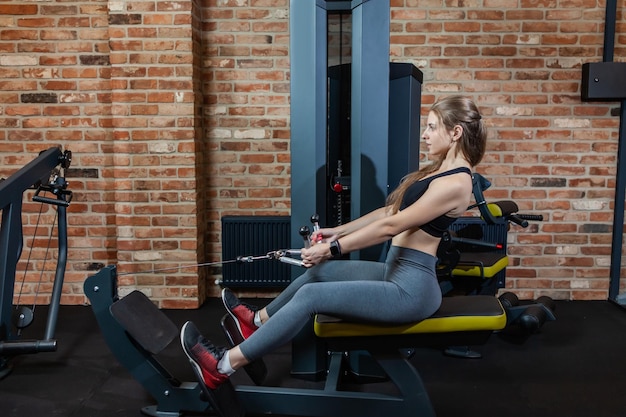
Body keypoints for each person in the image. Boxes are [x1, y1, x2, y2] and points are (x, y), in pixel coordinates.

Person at [180, 95, 488, 392]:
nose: (425, 134)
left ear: (456, 132)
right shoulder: (440, 172)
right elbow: (388, 211)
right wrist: (336, 232)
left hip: (411, 290)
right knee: (317, 275)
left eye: (432, 127)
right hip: (396, 273)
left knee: (312, 296)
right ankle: (256, 322)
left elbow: (392, 226)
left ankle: (222, 366)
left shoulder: (456, 183)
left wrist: (332, 249)